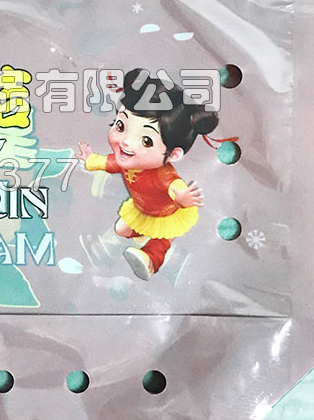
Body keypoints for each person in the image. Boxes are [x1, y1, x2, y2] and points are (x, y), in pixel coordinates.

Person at [78, 68, 219, 280]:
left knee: (159, 243)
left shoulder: (162, 175)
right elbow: (109, 162)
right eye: (120, 126)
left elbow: (175, 186)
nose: (126, 142)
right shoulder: (130, 161)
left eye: (146, 140)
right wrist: (90, 159)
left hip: (166, 215)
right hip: (143, 208)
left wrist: (182, 200)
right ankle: (113, 251)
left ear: (174, 154)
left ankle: (152, 262)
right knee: (122, 229)